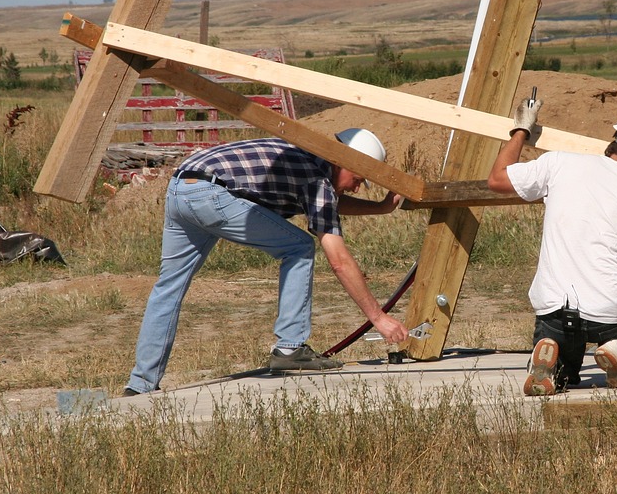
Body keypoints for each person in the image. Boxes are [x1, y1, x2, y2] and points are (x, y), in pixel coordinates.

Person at [124, 129, 409, 395]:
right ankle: (289, 348)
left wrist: (380, 209)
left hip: (181, 188)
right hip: (211, 194)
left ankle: (141, 384)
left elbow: (326, 203)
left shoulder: (307, 158)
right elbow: (339, 261)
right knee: (298, 247)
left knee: (169, 287)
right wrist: (378, 318)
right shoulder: (316, 177)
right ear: (343, 161)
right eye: (358, 180)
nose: (357, 189)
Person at [487, 102, 617, 396]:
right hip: (608, 316)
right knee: (611, 320)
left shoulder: (559, 163)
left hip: (555, 309)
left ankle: (553, 363)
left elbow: (497, 180)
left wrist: (521, 130)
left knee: (563, 376)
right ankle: (613, 350)